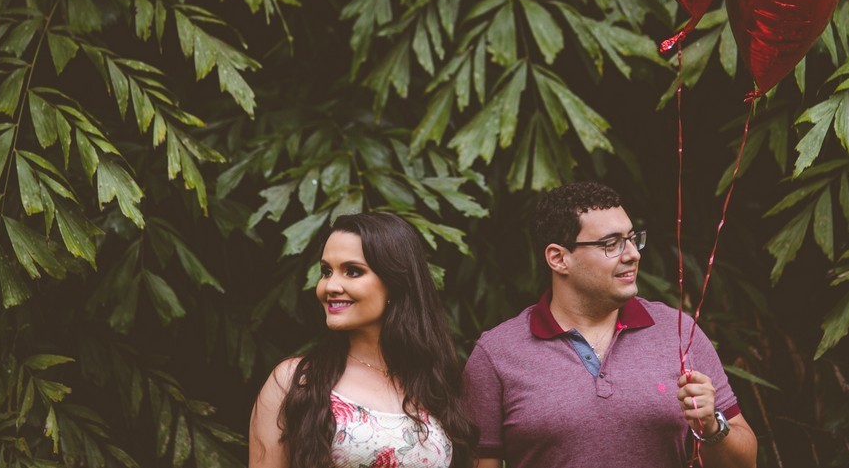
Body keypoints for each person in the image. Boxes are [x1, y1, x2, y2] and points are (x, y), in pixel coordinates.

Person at [463, 182, 757, 468]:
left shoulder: (677, 331)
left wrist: (712, 427)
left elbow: (747, 462)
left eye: (632, 239)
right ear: (559, 258)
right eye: (612, 244)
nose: (633, 254)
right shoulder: (496, 354)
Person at [250, 212, 476, 468]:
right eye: (326, 271)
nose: (330, 286)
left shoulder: (437, 382)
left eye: (353, 272)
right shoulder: (297, 381)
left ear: (395, 282)